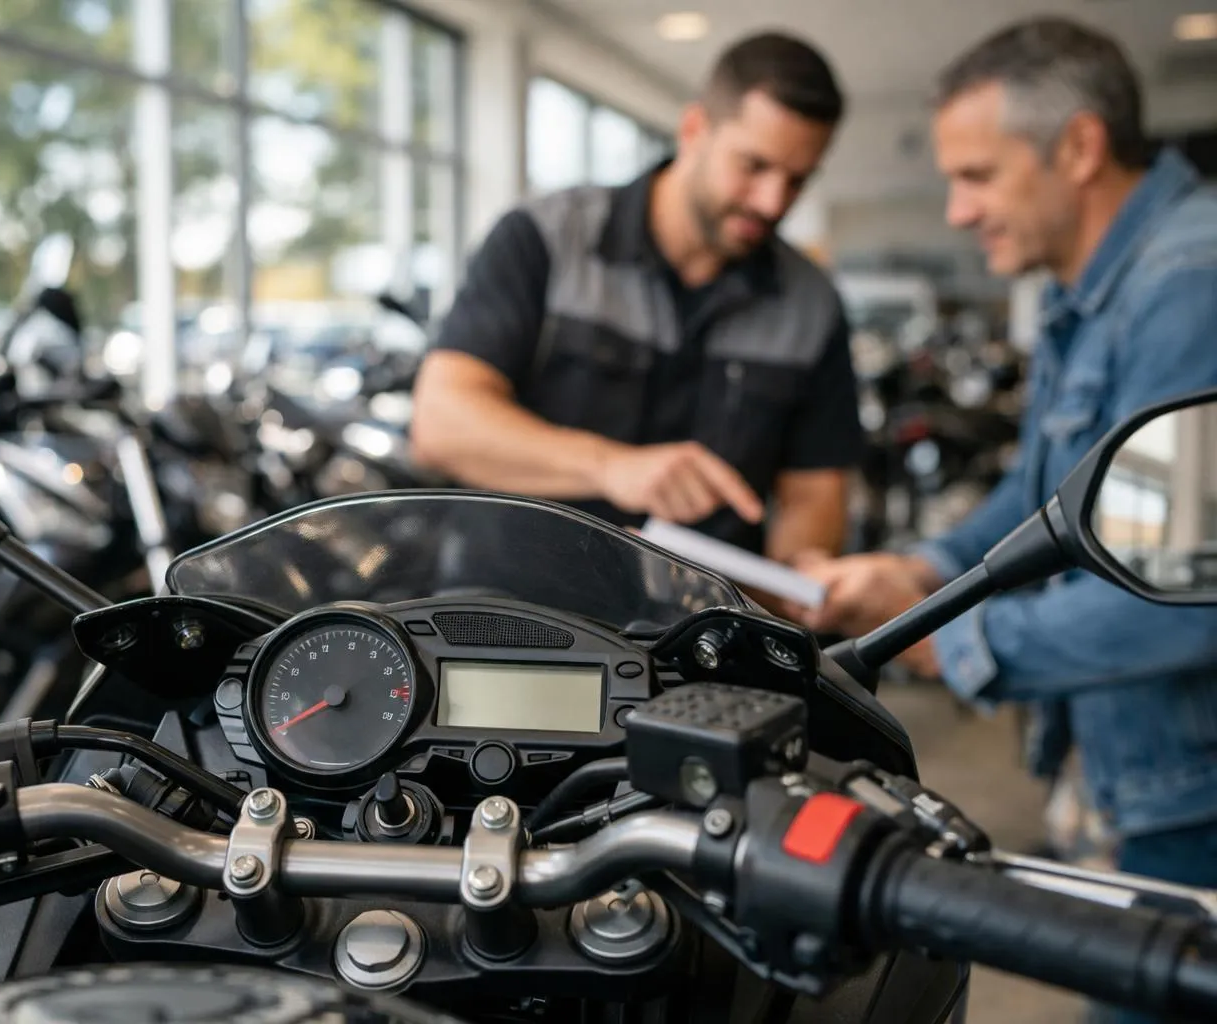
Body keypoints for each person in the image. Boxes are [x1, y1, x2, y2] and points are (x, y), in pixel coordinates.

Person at [789, 23, 1217, 1020]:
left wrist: (956, 639)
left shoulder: (1188, 286)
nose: (959, 210)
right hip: (1137, 776)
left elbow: (1189, 592)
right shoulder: (1091, 290)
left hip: (1195, 797)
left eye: (977, 174)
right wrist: (919, 567)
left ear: (1076, 147)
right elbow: (1049, 496)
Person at [410, 32, 863, 567]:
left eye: (797, 181)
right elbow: (441, 424)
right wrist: (611, 467)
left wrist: (799, 581)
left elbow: (814, 500)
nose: (772, 201)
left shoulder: (813, 305)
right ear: (694, 129)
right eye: (754, 166)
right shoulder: (546, 239)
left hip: (698, 633)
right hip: (511, 613)